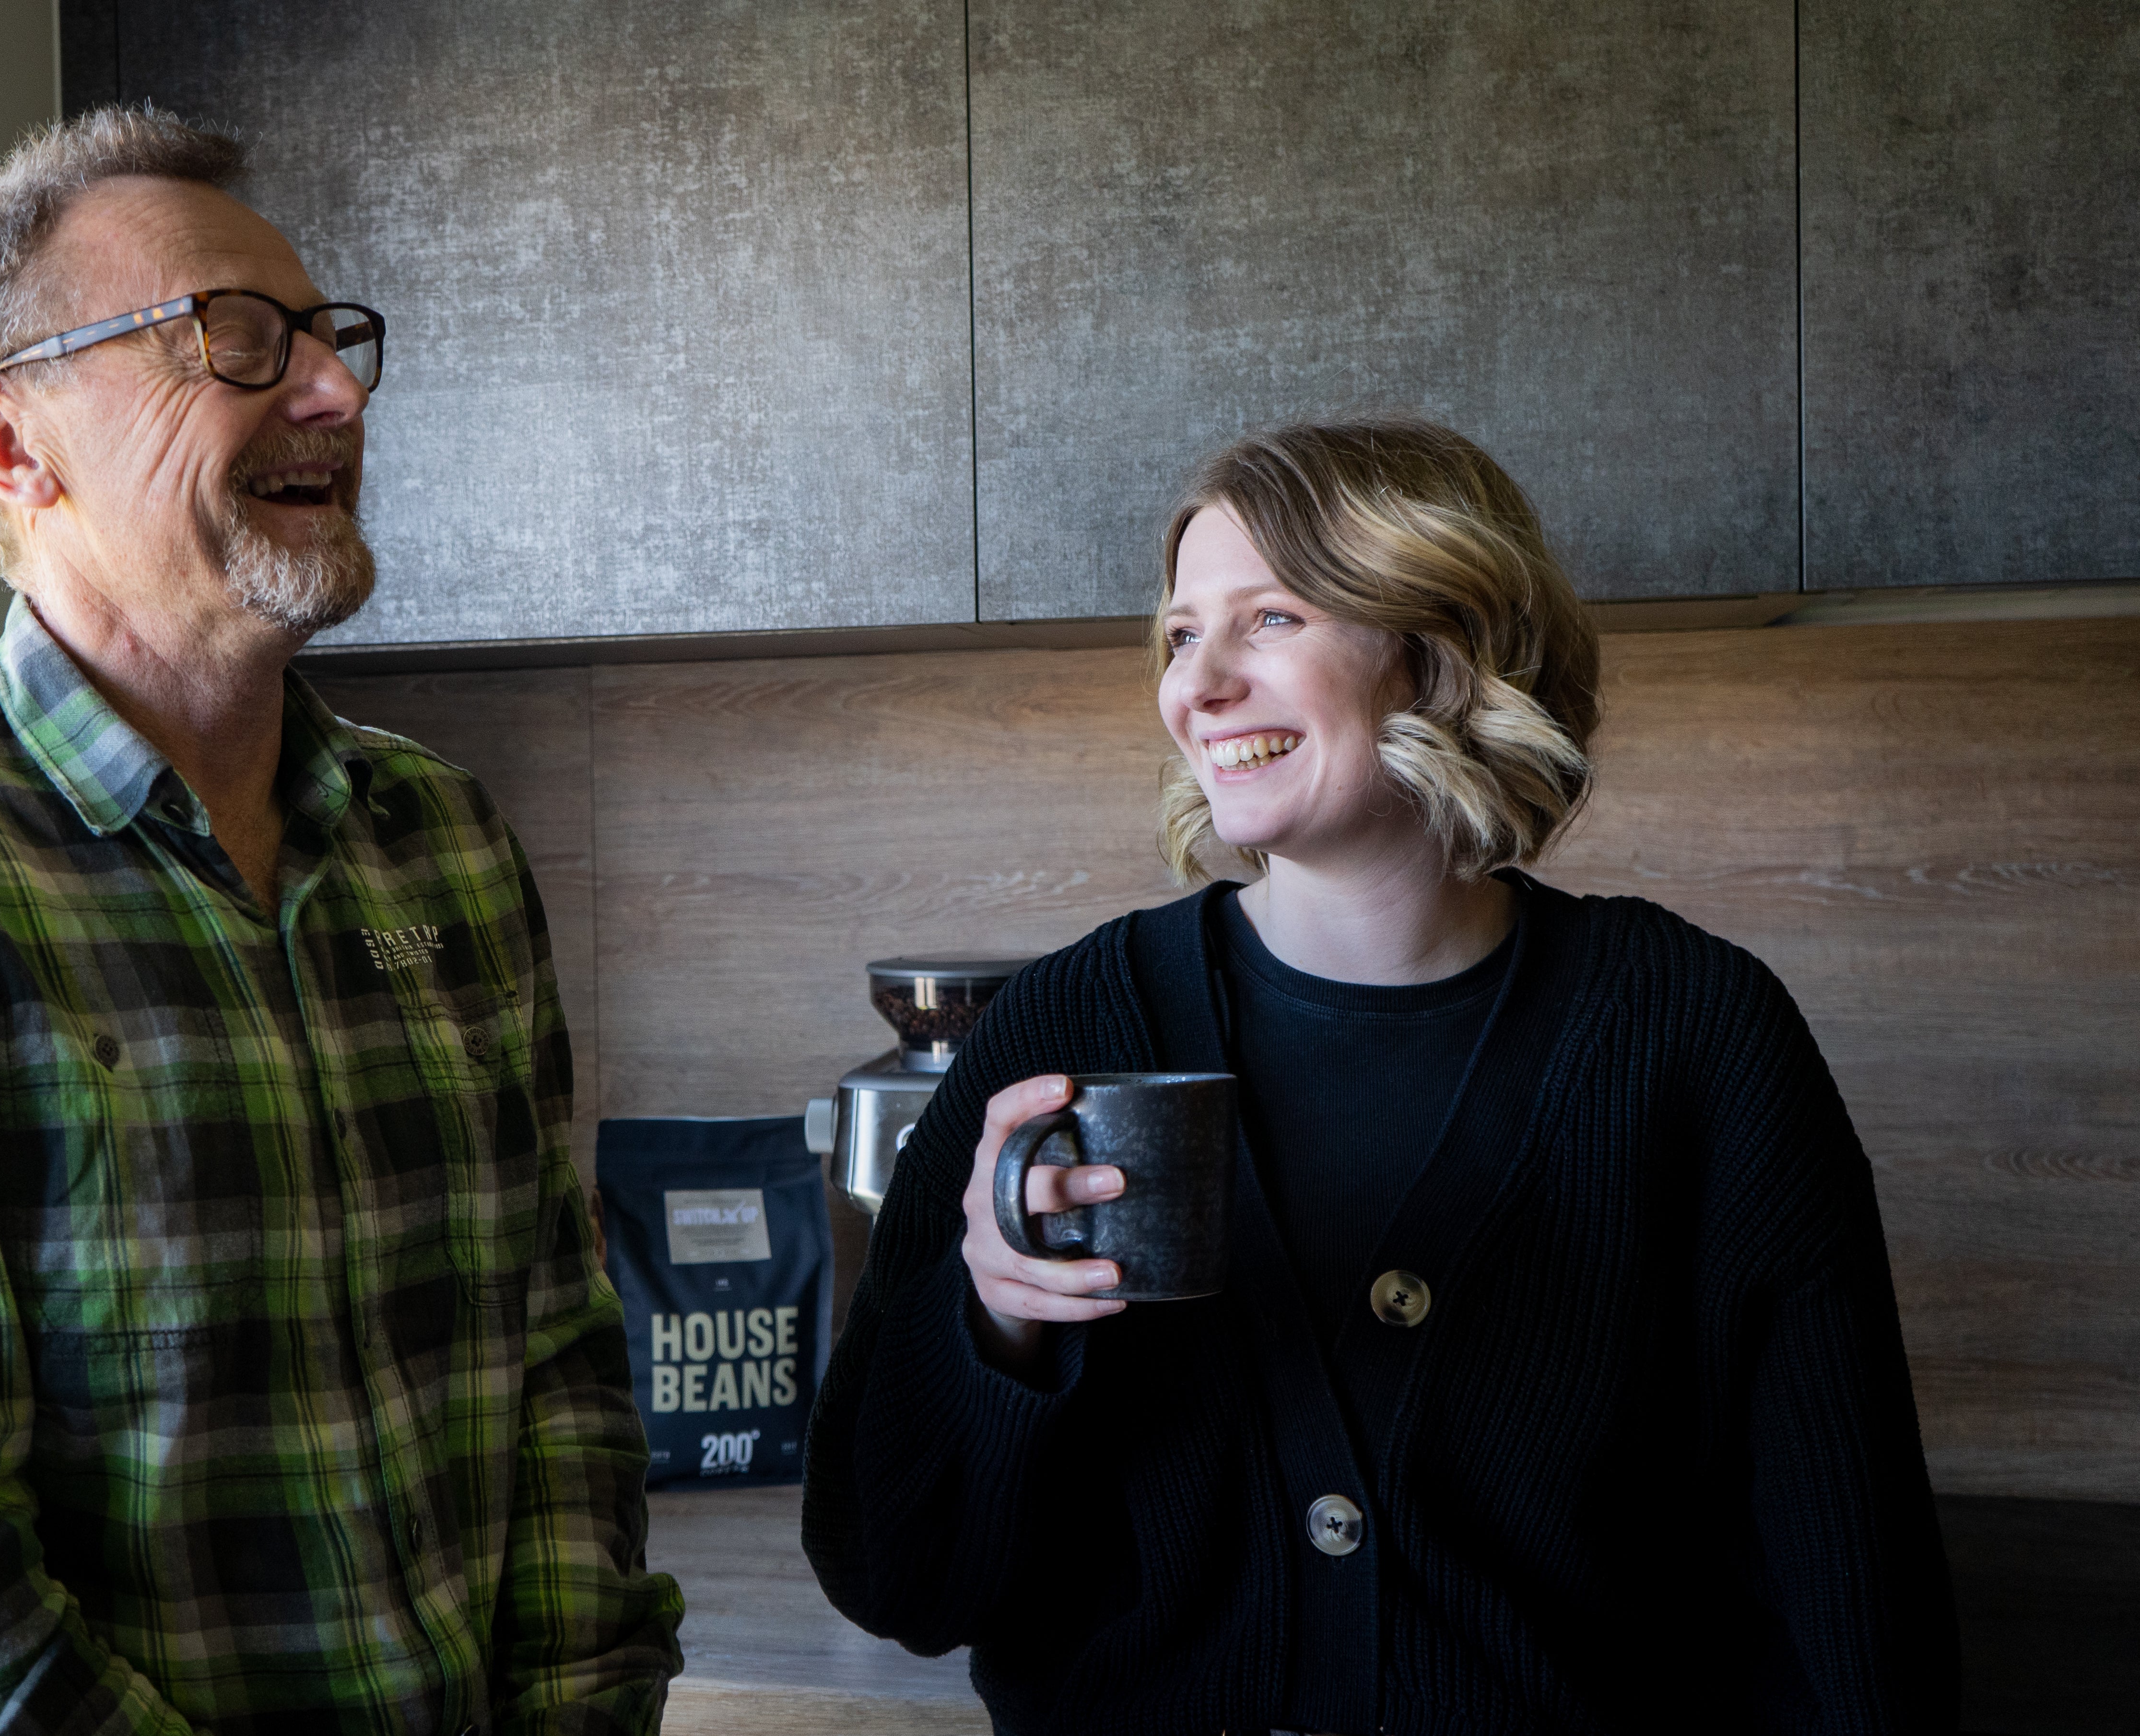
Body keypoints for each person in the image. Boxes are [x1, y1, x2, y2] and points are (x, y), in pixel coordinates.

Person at [0, 107, 681, 1736]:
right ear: (10, 442)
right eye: (234, 336)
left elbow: (556, 1373)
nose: (335, 391)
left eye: (330, 337)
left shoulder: (445, 842)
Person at [801, 419, 1957, 1735]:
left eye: (1273, 617)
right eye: (1183, 635)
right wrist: (998, 1329)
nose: (1199, 686)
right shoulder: (1065, 1030)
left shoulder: (1696, 1037)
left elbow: (1855, 1607)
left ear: (1438, 645)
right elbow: (898, 1573)